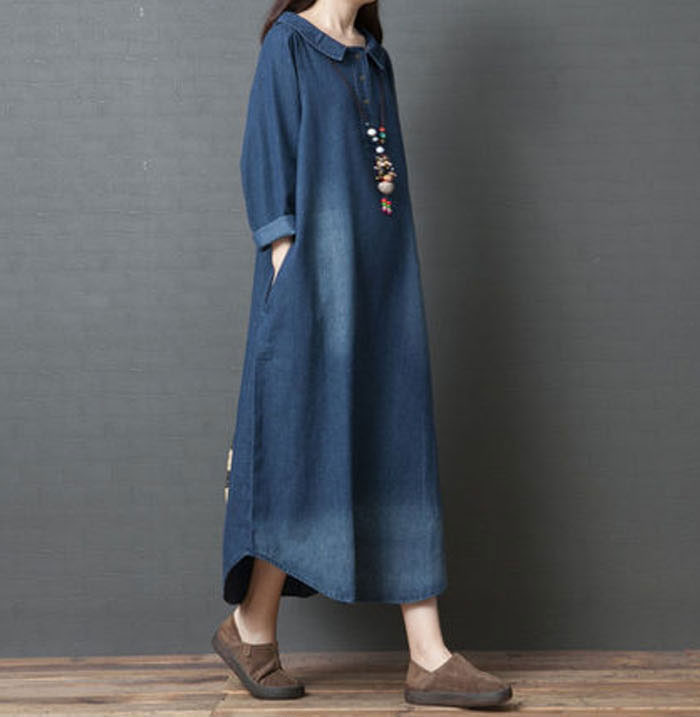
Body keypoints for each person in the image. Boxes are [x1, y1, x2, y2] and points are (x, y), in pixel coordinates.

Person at [211, 0, 513, 709]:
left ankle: (426, 654)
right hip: (313, 281)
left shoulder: (375, 61)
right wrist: (290, 269)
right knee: (301, 447)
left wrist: (387, 282)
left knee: (397, 442)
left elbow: (386, 183)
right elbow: (265, 158)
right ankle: (253, 625)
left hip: (384, 285)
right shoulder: (289, 46)